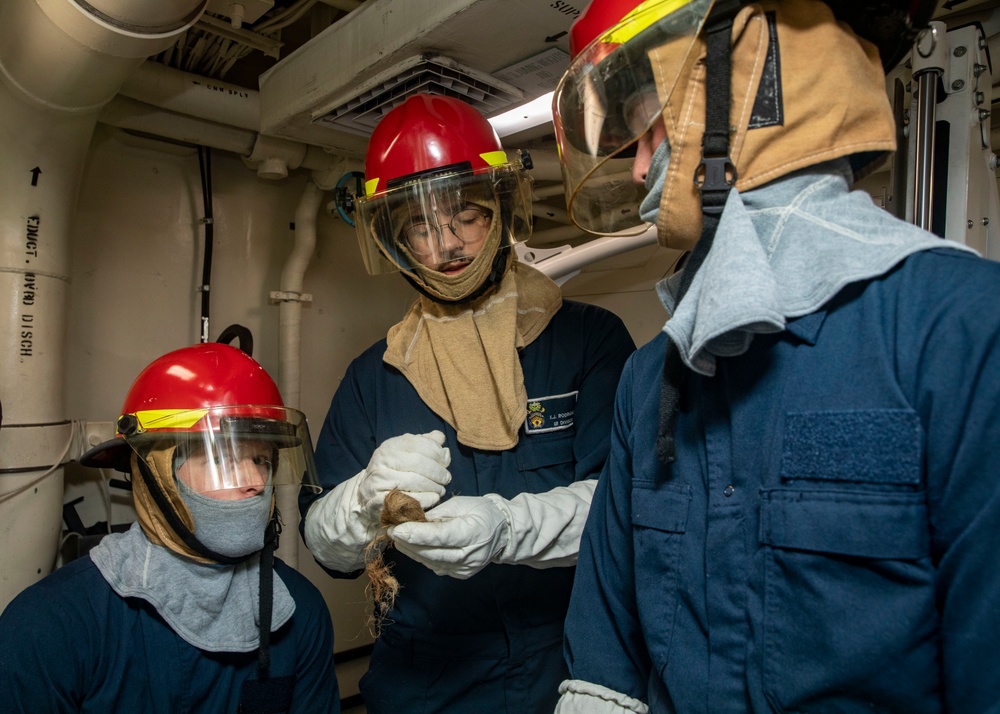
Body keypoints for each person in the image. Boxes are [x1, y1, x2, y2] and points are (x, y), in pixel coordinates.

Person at [549, 0, 1000, 712]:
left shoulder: (964, 330)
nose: (639, 169)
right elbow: (606, 654)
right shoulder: (650, 381)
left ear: (746, 81)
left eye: (649, 122)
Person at [299, 93, 636, 713]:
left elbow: (625, 507)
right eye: (421, 226)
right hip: (425, 677)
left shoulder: (590, 341)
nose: (447, 244)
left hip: (564, 659)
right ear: (396, 241)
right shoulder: (374, 376)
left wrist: (508, 528)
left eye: (466, 216)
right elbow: (326, 550)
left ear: (502, 212)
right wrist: (361, 502)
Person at [0, 343, 340, 714]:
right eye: (223, 459)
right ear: (153, 475)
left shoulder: (299, 610)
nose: (256, 481)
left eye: (261, 459)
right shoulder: (49, 625)